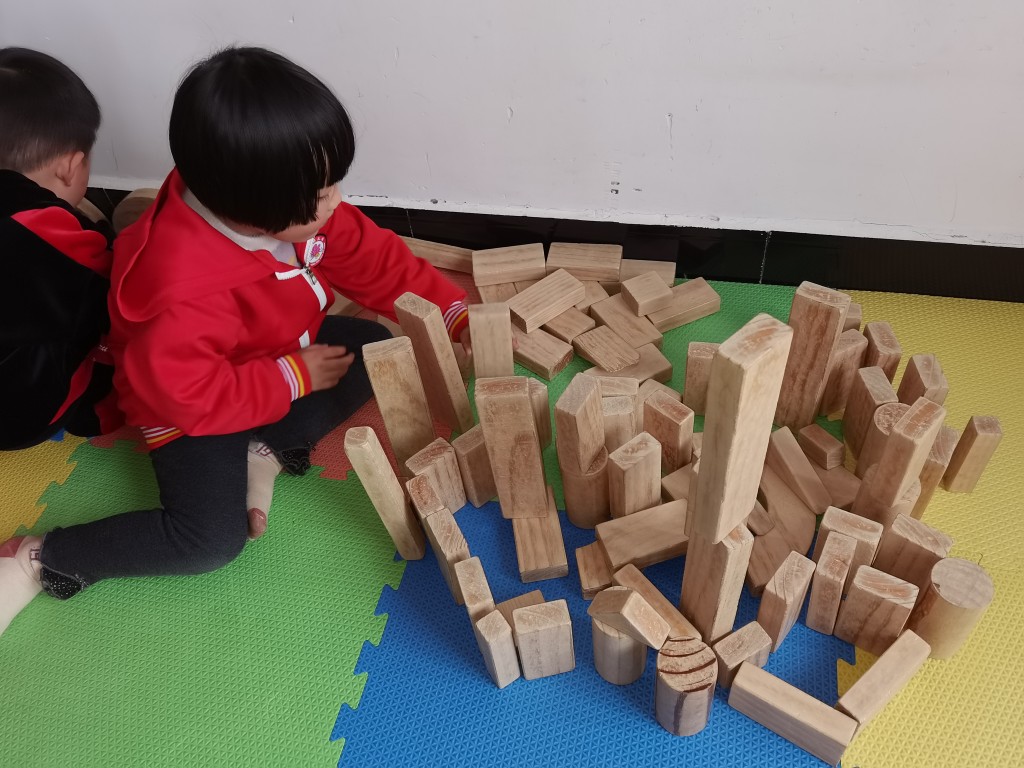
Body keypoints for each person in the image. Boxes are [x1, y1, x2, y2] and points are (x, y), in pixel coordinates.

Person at [0, 46, 470, 637]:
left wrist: (449, 312)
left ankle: (263, 450)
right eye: (322, 195)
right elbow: (184, 397)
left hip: (267, 355)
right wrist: (290, 379)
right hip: (190, 407)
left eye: (332, 182)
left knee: (376, 348)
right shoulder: (177, 290)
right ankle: (40, 558)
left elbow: (371, 257)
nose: (336, 200)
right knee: (209, 542)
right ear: (253, 217)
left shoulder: (281, 201)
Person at [0, 48, 119, 451]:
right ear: (71, 166)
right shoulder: (40, 232)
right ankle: (92, 413)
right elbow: (116, 284)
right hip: (16, 420)